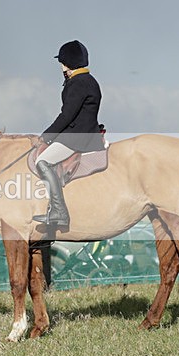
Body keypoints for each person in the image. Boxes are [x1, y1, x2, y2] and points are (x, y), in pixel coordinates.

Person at [33, 40, 104, 227]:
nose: (61, 66)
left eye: (62, 62)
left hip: (77, 138)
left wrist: (46, 136)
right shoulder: (89, 80)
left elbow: (66, 116)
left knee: (42, 161)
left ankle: (59, 211)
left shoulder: (78, 83)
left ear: (67, 63)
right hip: (83, 133)